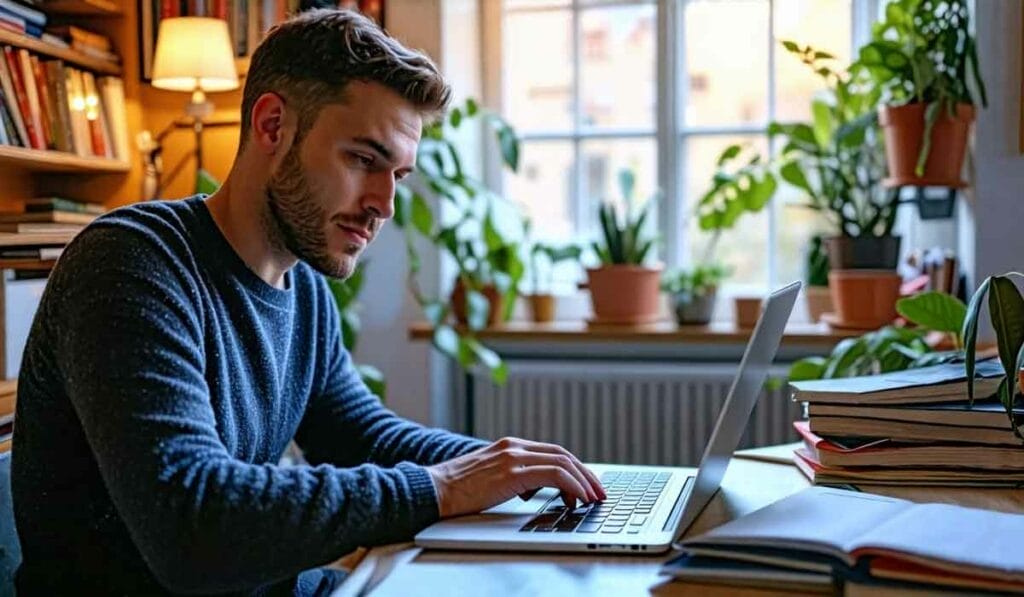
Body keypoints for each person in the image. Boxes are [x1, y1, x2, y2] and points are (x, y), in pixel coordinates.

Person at [11, 9, 604, 596]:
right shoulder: (132, 264)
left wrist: (517, 471)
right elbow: (193, 522)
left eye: (397, 175)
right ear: (272, 126)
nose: (384, 204)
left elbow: (362, 434)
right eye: (363, 160)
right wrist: (442, 486)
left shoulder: (305, 291)